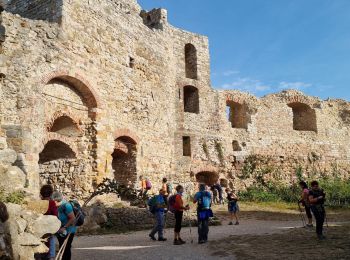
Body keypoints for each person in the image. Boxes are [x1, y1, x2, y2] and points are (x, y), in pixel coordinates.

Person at [52, 191, 76, 260]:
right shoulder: (57, 207)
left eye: (54, 201)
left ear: (57, 200)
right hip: (60, 231)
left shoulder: (66, 206)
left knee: (66, 248)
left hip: (68, 230)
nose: (53, 203)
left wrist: (64, 227)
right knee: (61, 247)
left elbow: (73, 218)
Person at [40, 185, 58, 260]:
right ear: (51, 193)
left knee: (41, 251)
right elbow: (55, 216)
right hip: (50, 229)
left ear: (41, 193)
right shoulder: (51, 203)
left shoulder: (40, 203)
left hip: (40, 229)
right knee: (50, 253)